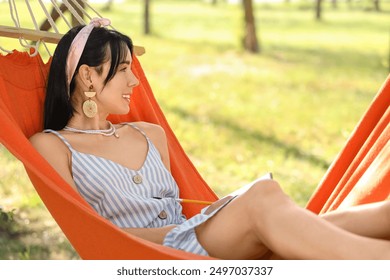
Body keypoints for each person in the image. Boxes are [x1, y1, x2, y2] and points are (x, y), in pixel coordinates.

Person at [29, 18, 390, 260]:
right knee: (262, 198)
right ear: (88, 77)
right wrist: (195, 226)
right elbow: (93, 230)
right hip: (153, 255)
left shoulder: (150, 134)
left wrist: (202, 222)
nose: (134, 82)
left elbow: (176, 206)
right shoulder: (52, 146)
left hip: (195, 239)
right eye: (123, 70)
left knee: (298, 216)